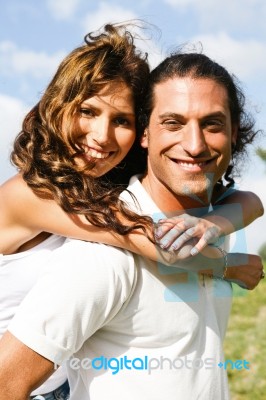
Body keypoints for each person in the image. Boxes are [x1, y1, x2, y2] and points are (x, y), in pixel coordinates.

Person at [0, 49, 264, 399]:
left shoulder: (99, 192)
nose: (101, 136)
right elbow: (159, 244)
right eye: (87, 111)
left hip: (60, 381)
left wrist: (215, 223)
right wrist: (230, 266)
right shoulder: (36, 198)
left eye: (120, 120)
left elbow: (250, 201)